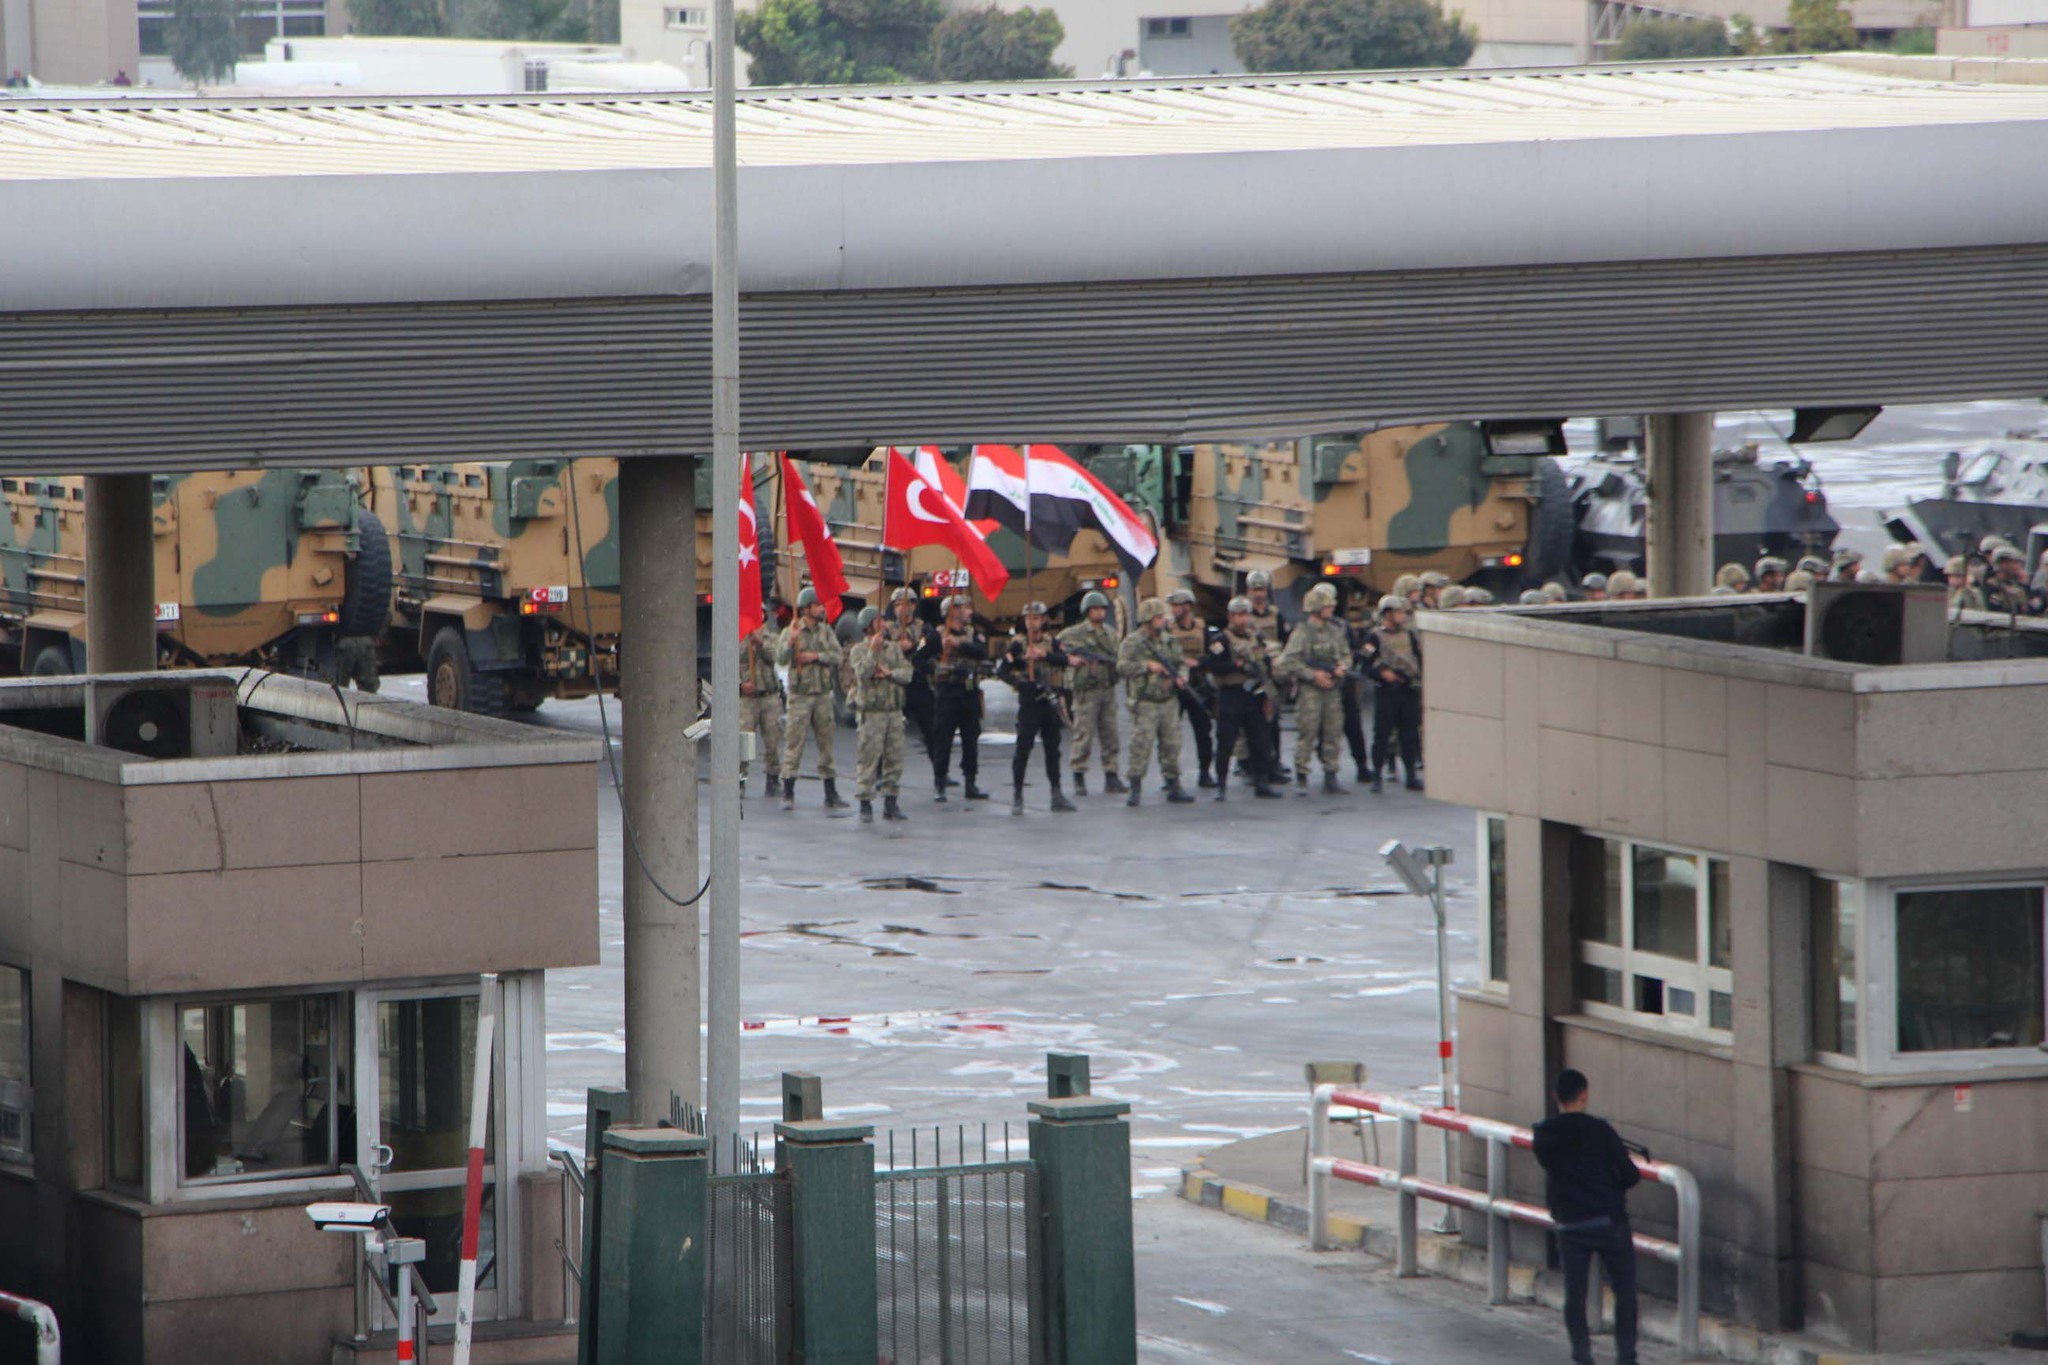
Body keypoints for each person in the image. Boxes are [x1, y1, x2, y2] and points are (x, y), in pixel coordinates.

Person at [1533, 1069, 1642, 1365]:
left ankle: (1582, 1356)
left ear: (1556, 1097)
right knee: (1625, 1291)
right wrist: (1611, 1187)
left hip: (1569, 1223)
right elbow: (1630, 1175)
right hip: (1608, 1220)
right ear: (1584, 1095)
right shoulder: (1599, 1130)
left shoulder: (1543, 1135)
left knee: (1575, 1293)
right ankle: (1626, 1357)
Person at [1201, 596, 1283, 801]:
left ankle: (1261, 781)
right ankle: (1221, 784)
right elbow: (1212, 664)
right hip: (1231, 695)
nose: (1242, 619)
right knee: (1226, 741)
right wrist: (1236, 666)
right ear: (1230, 616)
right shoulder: (1221, 640)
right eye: (1238, 615)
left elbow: (1267, 662)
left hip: (1255, 694)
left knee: (1260, 739)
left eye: (1245, 614)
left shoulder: (1256, 637)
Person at [1117, 596, 1197, 806]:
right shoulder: (1133, 642)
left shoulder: (1169, 640)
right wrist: (1146, 666)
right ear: (1148, 619)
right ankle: (1135, 786)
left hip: (1168, 700)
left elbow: (1180, 662)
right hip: (1145, 701)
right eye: (1159, 617)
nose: (1163, 621)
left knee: (1172, 743)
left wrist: (1181, 676)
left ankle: (1173, 783)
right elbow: (1122, 667)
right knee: (1141, 745)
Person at [999, 601, 1077, 814]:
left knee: (1053, 749)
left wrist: (1044, 656)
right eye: (1028, 619)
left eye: (1035, 618)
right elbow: (1003, 670)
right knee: (1023, 748)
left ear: (1043, 620)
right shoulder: (1018, 644)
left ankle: (1056, 793)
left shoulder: (1051, 642)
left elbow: (1064, 660)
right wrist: (1021, 681)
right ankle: (1017, 796)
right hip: (1030, 702)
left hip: (1049, 700)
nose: (1031, 623)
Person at [775, 587, 846, 811]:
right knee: (794, 744)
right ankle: (788, 791)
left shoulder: (825, 631)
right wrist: (790, 643)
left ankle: (831, 792)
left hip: (822, 695)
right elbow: (780, 658)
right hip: (800, 696)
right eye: (817, 605)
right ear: (806, 608)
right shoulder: (792, 630)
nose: (821, 608)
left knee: (826, 744)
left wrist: (816, 656)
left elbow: (838, 656)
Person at [1275, 581, 1350, 794]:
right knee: (1307, 731)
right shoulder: (1303, 632)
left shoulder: (1335, 630)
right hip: (1311, 691)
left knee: (1333, 731)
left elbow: (1346, 654)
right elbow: (1290, 661)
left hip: (1332, 688)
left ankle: (1331, 773)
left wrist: (1342, 667)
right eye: (1327, 606)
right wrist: (1313, 675)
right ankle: (1302, 775)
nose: (1331, 609)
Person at [920, 595, 990, 802]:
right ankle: (940, 782)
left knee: (971, 739)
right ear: (954, 612)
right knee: (943, 738)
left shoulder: (972, 633)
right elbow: (919, 659)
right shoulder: (936, 636)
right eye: (965, 608)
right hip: (947, 691)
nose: (970, 612)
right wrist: (936, 667)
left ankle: (971, 782)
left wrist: (959, 645)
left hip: (969, 692)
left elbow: (982, 652)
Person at [846, 606, 912, 823]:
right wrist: (873, 652)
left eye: (883, 619)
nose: (883, 624)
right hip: (872, 713)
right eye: (878, 620)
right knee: (868, 758)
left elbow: (907, 673)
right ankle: (865, 803)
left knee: (895, 758)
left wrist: (889, 673)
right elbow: (862, 672)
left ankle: (891, 802)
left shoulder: (893, 649)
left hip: (893, 711)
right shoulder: (858, 650)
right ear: (868, 625)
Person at [1058, 591, 1125, 796]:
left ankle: (1111, 775)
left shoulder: (1110, 634)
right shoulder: (1076, 633)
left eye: (1102, 609)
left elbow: (1118, 655)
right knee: (1083, 735)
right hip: (1086, 691)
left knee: (1110, 735)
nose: (1099, 612)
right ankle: (1079, 775)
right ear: (1087, 611)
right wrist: (1072, 657)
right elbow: (1058, 645)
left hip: (1106, 688)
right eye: (1095, 609)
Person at [1360, 594, 1423, 793]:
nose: (1402, 616)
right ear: (1387, 614)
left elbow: (1419, 658)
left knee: (1410, 734)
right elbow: (1365, 664)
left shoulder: (1410, 635)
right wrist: (1381, 673)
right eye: (1398, 612)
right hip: (1388, 692)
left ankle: (1411, 774)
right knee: (1382, 734)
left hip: (1408, 690)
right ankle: (1377, 775)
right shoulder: (1375, 636)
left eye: (1404, 612)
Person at [1166, 590, 1217, 788]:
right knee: (1169, 734)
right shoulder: (1167, 630)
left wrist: (1199, 663)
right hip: (1175, 686)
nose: (1174, 609)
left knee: (1203, 732)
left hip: (1198, 686)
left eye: (1177, 605)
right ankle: (1170, 776)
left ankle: (1205, 773)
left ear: (1187, 606)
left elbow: (1215, 654)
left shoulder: (1204, 630)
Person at [739, 603, 785, 796]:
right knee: (744, 740)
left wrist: (760, 644)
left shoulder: (772, 638)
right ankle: (739, 779)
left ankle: (773, 777)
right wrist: (740, 685)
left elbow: (778, 657)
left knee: (772, 739)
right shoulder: (738, 637)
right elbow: (726, 663)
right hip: (747, 698)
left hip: (769, 696)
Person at [889, 587, 936, 755]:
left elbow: (929, 645)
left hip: (917, 681)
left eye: (906, 604)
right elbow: (879, 649)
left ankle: (940, 774)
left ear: (913, 606)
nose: (902, 608)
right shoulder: (887, 629)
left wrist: (913, 647)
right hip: (894, 684)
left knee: (931, 729)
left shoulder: (923, 627)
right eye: (898, 604)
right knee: (888, 732)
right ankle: (881, 774)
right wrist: (896, 647)